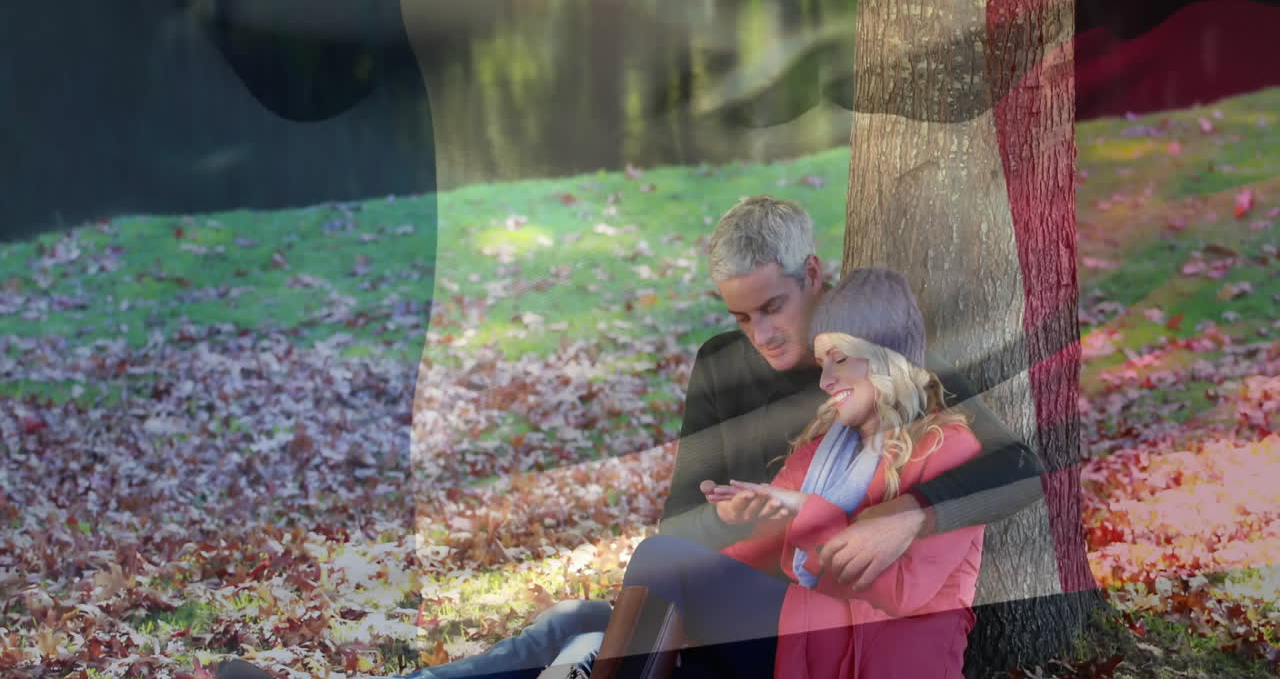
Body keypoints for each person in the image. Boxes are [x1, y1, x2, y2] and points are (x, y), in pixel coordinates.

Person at [218, 196, 1042, 679]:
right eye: (740, 315)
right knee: (563, 629)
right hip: (734, 593)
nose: (759, 333)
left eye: (773, 309)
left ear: (815, 278)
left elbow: (1014, 464)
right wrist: (729, 530)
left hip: (797, 620)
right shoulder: (724, 367)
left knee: (612, 622)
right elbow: (687, 516)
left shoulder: (889, 371)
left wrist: (911, 515)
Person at [617, 266, 984, 678]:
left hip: (876, 651)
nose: (826, 381)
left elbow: (902, 592)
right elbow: (763, 556)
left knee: (662, 559)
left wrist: (808, 510)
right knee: (682, 657)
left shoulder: (949, 449)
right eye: (822, 362)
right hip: (807, 628)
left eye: (840, 360)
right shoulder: (821, 447)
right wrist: (738, 524)